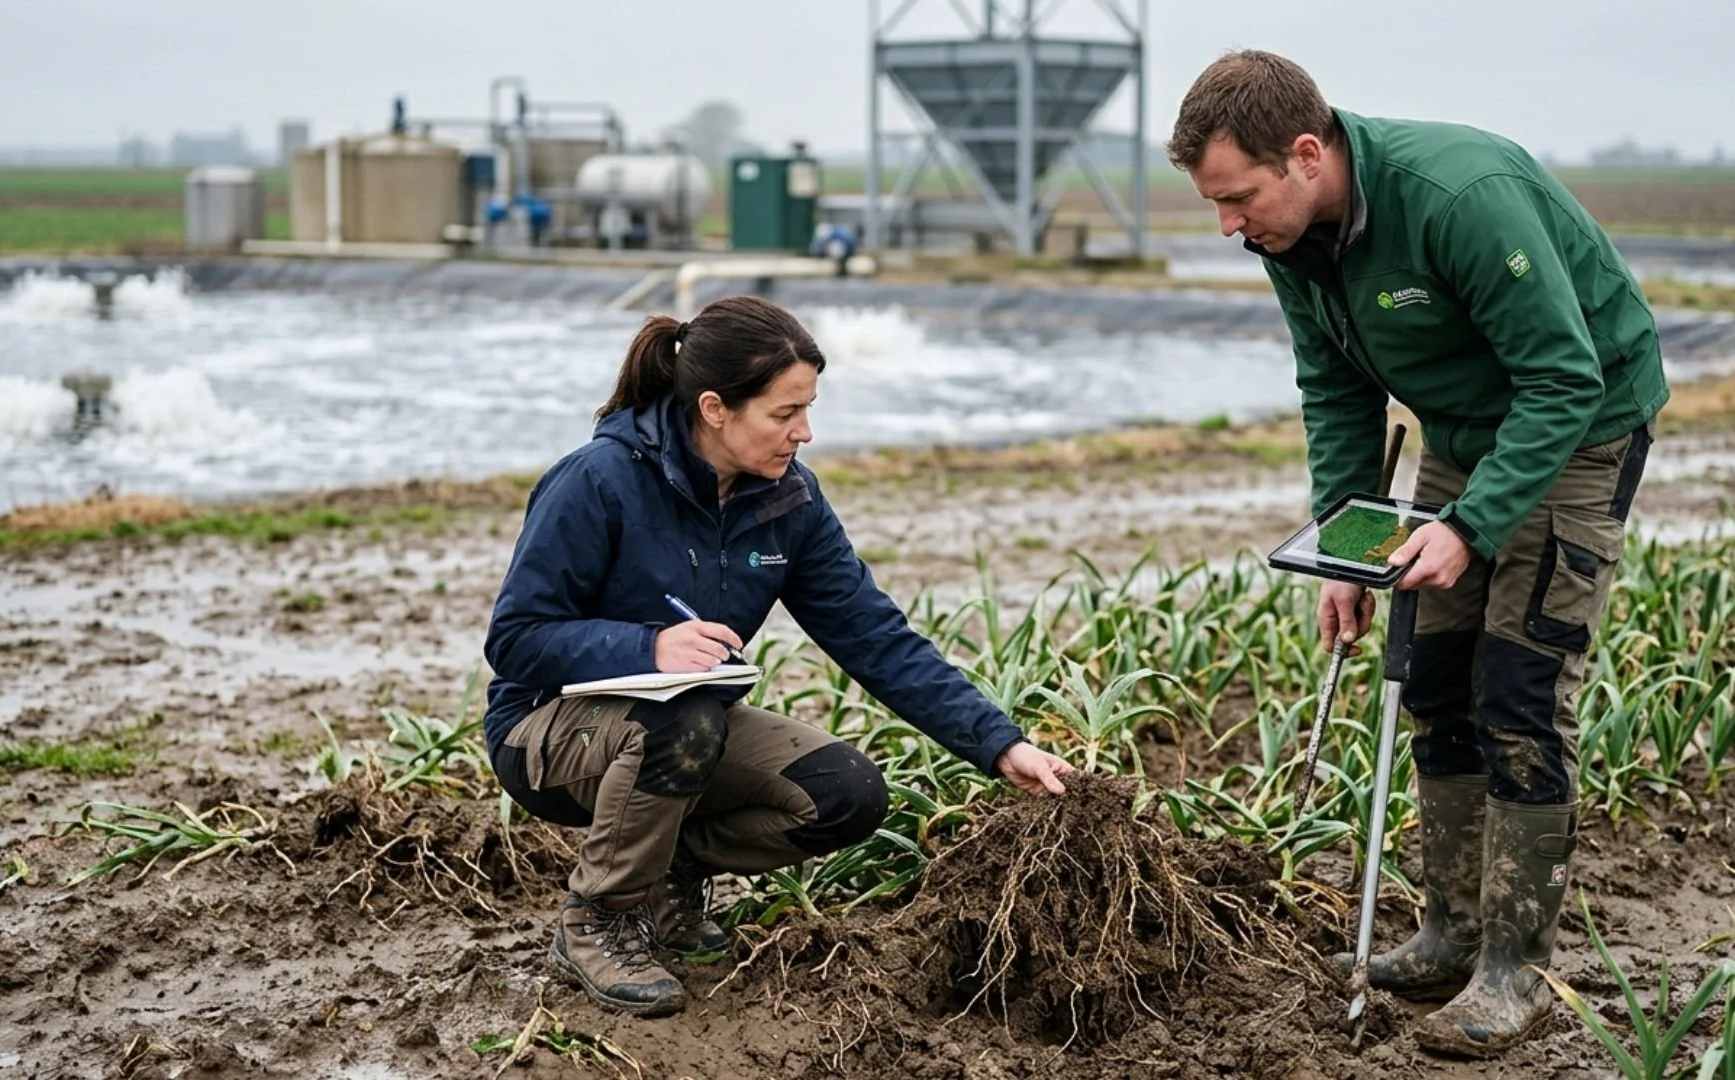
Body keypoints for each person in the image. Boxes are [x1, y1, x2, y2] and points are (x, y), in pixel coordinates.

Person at [1165, 51, 1667, 1057]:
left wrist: (1473, 527)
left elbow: (1564, 380)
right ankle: (1450, 934)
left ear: (1306, 154)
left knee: (1520, 694)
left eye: (1237, 198)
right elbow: (1336, 391)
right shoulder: (1292, 232)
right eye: (1214, 205)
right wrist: (1347, 553)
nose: (1227, 226)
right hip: (1460, 433)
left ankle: (1515, 972)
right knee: (1434, 676)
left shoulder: (1458, 199)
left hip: (1578, 428)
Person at [481, 294, 1074, 1018]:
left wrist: (998, 743)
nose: (806, 432)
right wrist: (648, 646)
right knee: (691, 716)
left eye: (809, 407)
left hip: (678, 729)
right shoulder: (597, 481)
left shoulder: (787, 499)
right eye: (784, 413)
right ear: (715, 408)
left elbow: (873, 634)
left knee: (847, 795)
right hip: (546, 731)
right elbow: (515, 639)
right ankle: (598, 917)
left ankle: (670, 872)